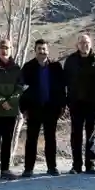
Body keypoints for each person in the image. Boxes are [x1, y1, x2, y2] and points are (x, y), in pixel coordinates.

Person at [20, 39, 66, 177]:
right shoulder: (28, 67)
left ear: (48, 50)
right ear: (35, 51)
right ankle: (28, 168)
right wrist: (23, 109)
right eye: (39, 49)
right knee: (31, 139)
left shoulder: (56, 67)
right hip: (33, 109)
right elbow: (21, 89)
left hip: (51, 108)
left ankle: (52, 167)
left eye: (44, 49)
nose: (42, 51)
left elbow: (61, 88)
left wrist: (62, 105)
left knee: (50, 139)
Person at [62, 33, 95, 174]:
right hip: (76, 104)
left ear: (91, 44)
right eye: (81, 43)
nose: (84, 45)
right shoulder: (71, 60)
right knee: (76, 135)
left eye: (87, 42)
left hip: (92, 104)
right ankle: (76, 165)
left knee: (91, 136)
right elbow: (64, 82)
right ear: (77, 45)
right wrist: (66, 101)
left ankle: (90, 165)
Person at [0, 38, 24, 182]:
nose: (4, 50)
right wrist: (1, 101)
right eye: (1, 47)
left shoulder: (16, 68)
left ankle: (5, 170)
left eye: (7, 47)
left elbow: (20, 87)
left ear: (11, 49)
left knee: (7, 140)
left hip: (10, 111)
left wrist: (10, 101)